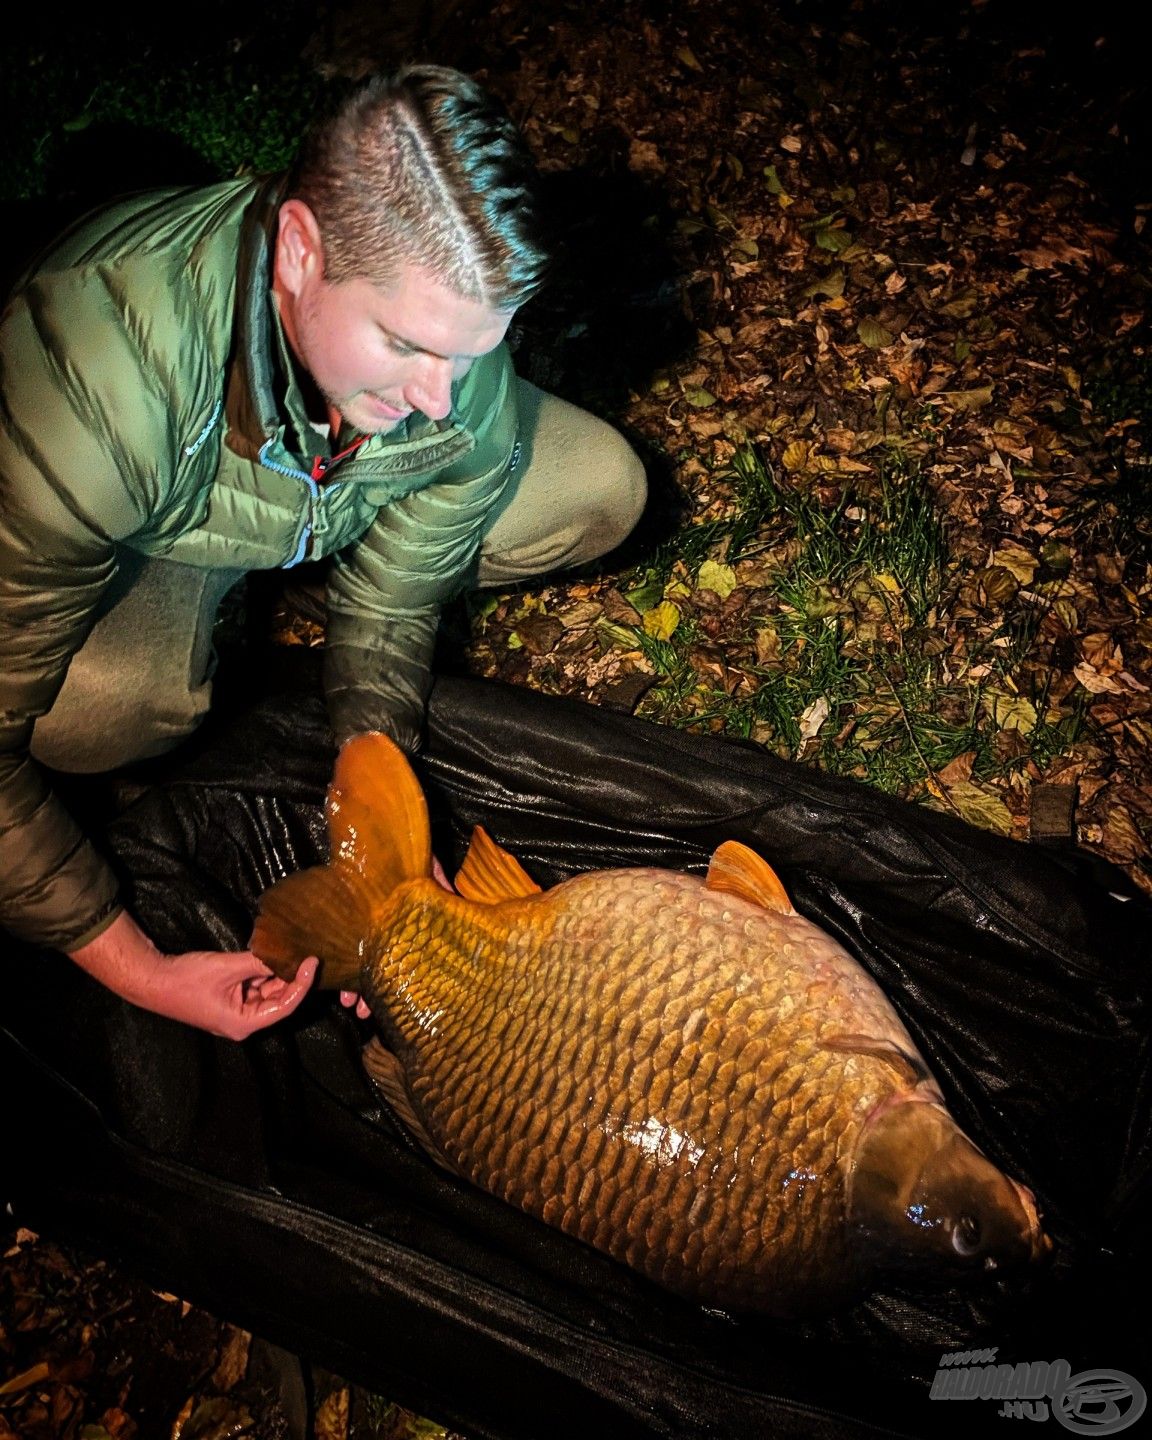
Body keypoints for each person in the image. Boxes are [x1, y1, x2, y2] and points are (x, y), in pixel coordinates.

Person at [0, 65, 646, 1041]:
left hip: (307, 488)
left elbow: (396, 601)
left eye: (471, 352)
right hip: (158, 516)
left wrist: (383, 818)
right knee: (98, 718)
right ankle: (224, 593)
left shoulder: (446, 338)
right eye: (406, 344)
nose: (443, 396)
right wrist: (140, 969)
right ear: (299, 248)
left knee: (602, 486)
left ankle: (299, 551)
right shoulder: (91, 399)